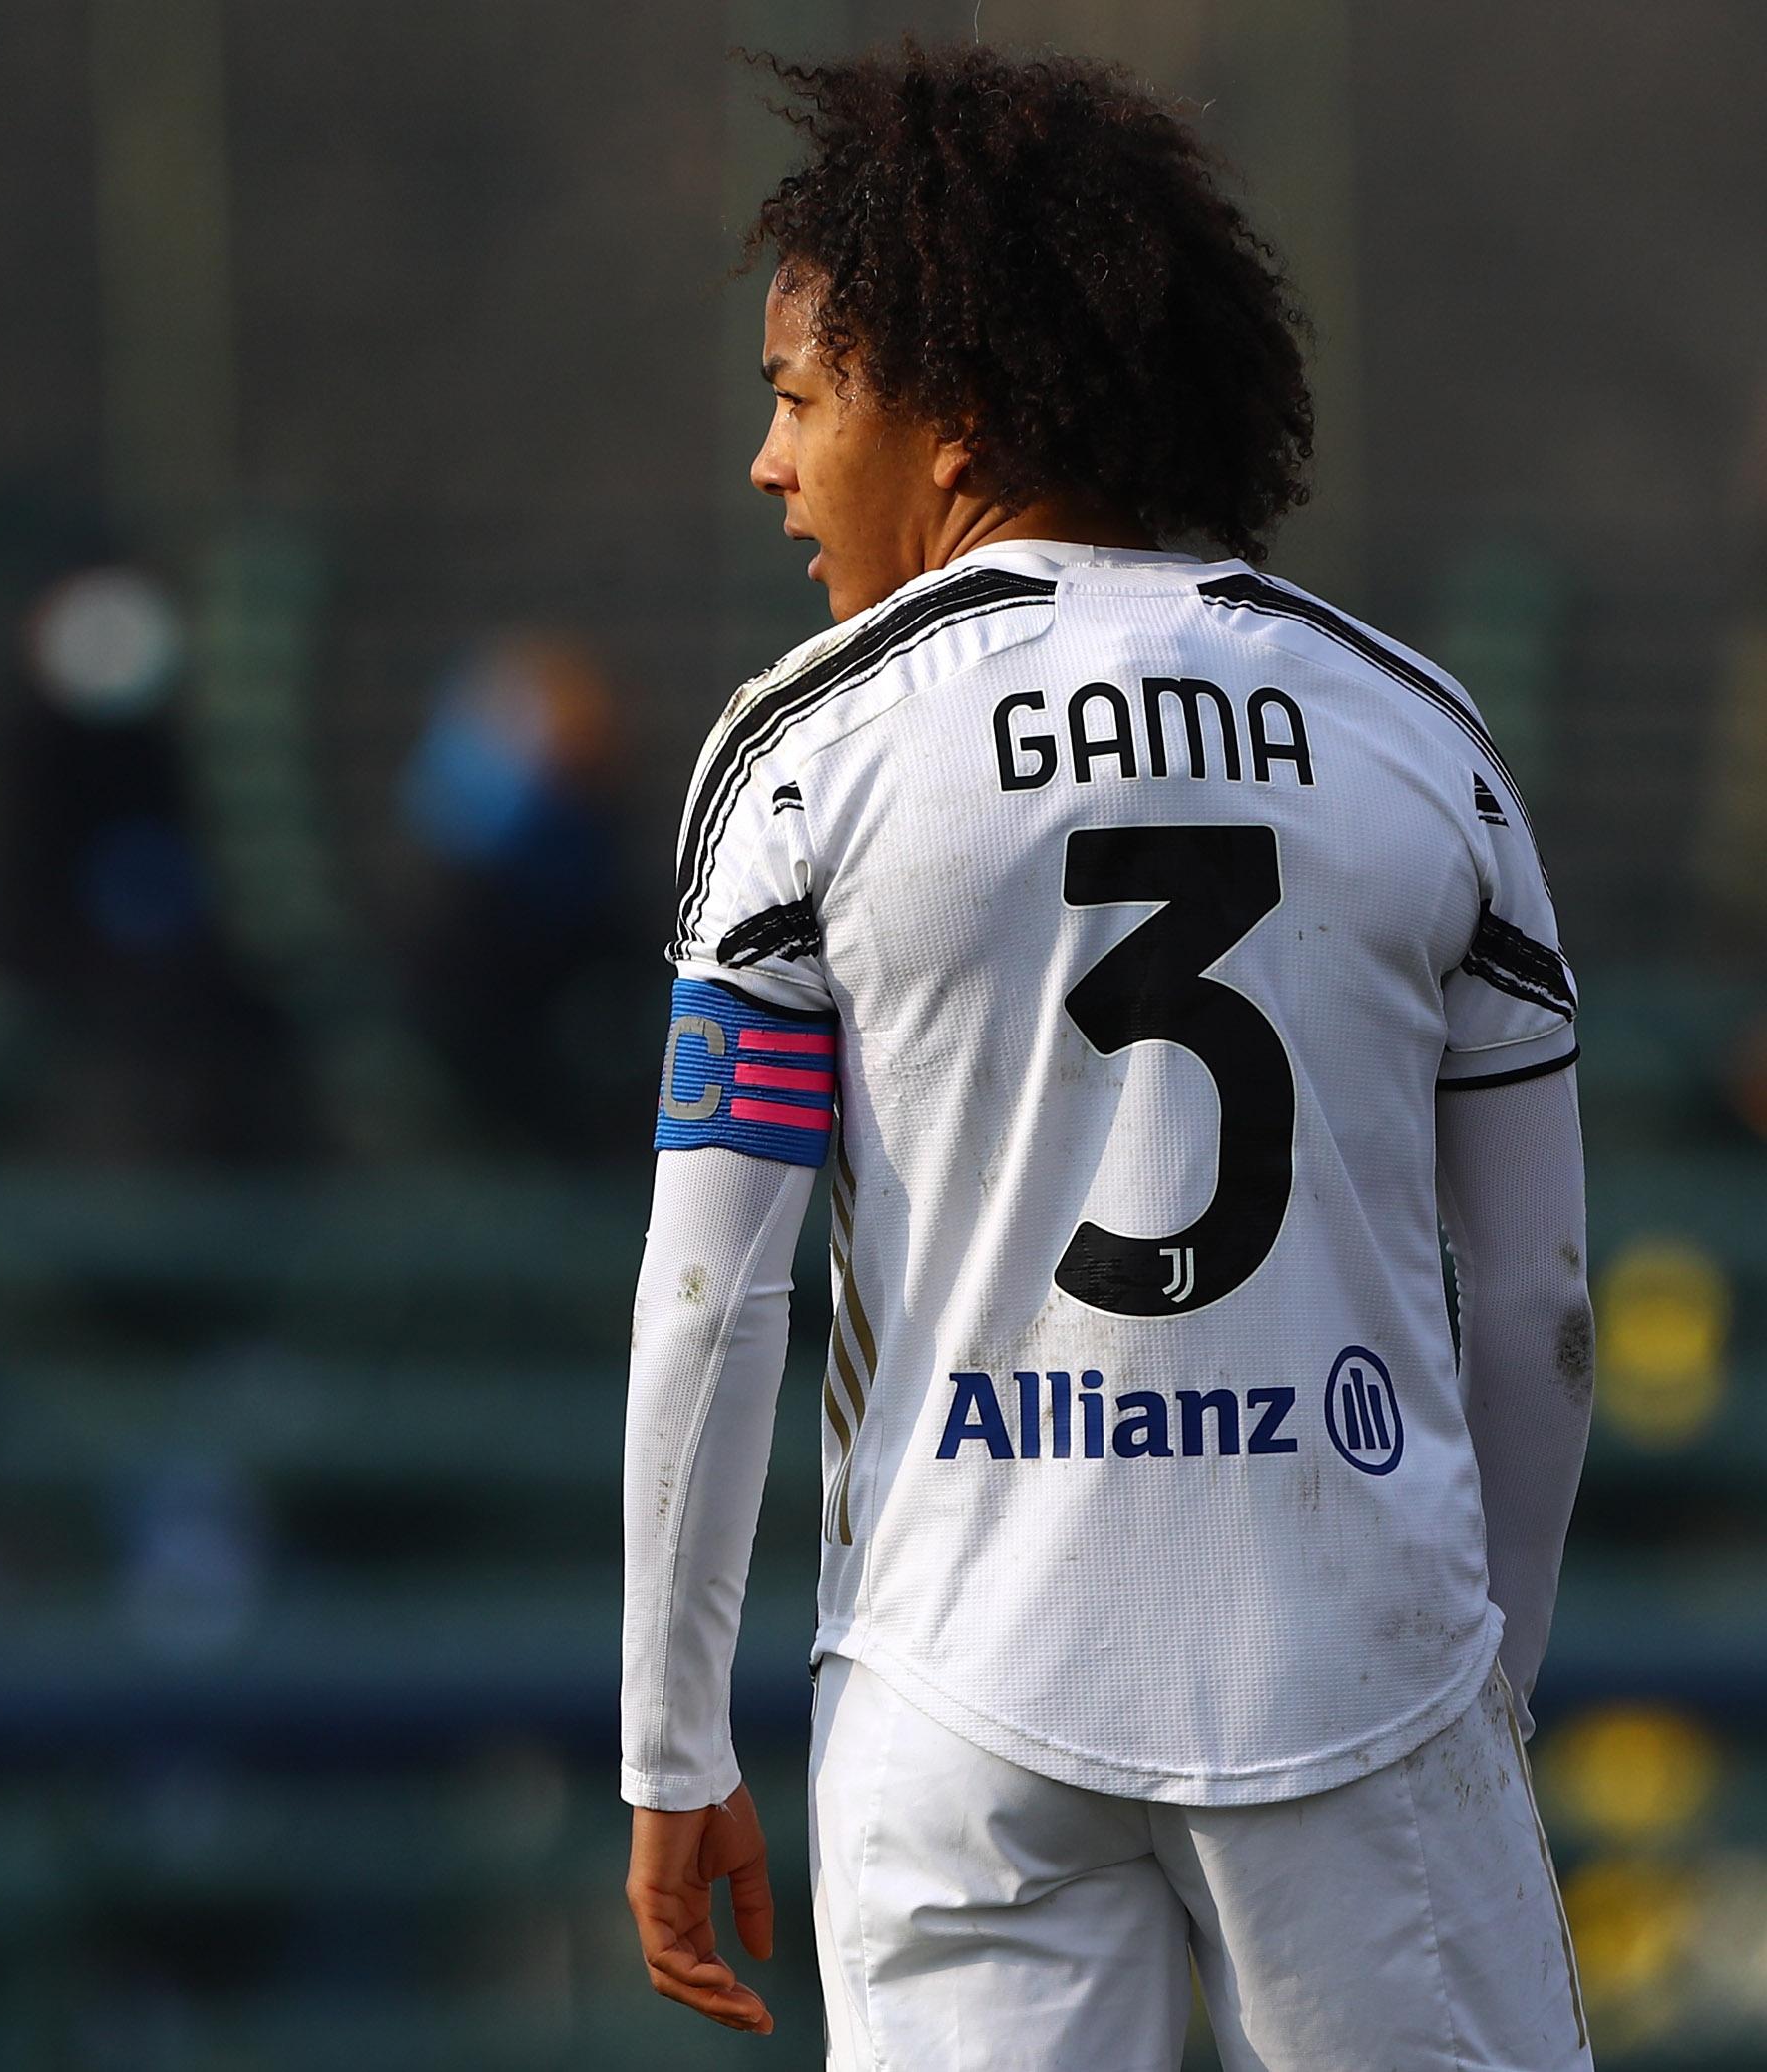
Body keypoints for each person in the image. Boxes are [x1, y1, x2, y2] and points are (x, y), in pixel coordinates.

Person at [618, 42, 1594, 2070]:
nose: (769, 465)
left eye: (797, 399)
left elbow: (719, 1291)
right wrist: (1476, 1683)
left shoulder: (809, 756)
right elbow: (1545, 1301)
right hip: (1357, 1676)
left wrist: (672, 1732)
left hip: (961, 1687)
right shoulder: (1426, 743)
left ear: (953, 409)